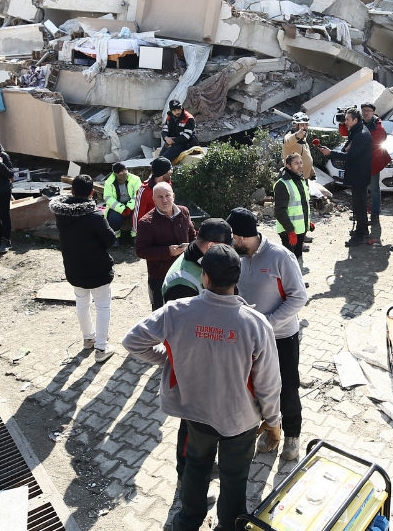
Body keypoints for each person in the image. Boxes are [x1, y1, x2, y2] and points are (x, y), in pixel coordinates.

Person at [121, 245, 282, 531]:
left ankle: (187, 522)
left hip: (195, 414)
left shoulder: (177, 311)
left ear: (204, 277)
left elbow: (132, 341)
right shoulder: (256, 324)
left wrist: (170, 361)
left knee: (196, 466)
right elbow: (268, 384)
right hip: (240, 421)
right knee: (235, 477)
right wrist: (273, 422)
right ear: (238, 278)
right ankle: (229, 526)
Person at [227, 208, 307, 461]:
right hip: (251, 339)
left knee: (287, 388)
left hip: (282, 337)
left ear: (241, 237)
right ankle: (270, 428)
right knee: (258, 388)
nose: (230, 242)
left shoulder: (280, 257)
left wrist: (268, 324)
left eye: (233, 237)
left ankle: (292, 436)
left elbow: (299, 297)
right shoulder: (238, 257)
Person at [53, 174, 117, 363]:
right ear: (91, 193)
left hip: (74, 267)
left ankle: (89, 338)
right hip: (98, 269)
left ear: (72, 191)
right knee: (103, 306)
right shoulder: (94, 216)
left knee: (81, 303)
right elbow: (110, 240)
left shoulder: (61, 213)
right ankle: (101, 348)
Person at [135, 182, 196, 310]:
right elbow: (141, 251)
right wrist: (167, 251)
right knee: (161, 313)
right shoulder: (146, 222)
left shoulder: (183, 212)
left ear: (173, 196)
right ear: (154, 200)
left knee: (186, 310)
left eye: (167, 195)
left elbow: (192, 235)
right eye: (160, 197)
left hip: (185, 271)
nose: (164, 200)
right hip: (160, 276)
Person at [319, 108, 372, 246]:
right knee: (358, 204)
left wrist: (330, 153)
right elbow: (347, 149)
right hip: (357, 174)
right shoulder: (356, 131)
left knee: (359, 205)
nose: (345, 122)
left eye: (348, 120)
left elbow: (350, 156)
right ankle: (363, 230)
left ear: (355, 120)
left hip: (359, 175)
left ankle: (360, 235)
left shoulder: (361, 134)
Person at [161, 219, 232, 303]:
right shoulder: (182, 284)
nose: (230, 250)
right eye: (226, 247)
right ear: (211, 246)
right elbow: (181, 316)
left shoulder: (197, 255)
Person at [351, 102, 390, 240]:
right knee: (363, 190)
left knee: (373, 188)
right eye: (363, 110)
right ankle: (361, 214)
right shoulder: (359, 123)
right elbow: (345, 133)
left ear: (373, 112)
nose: (365, 113)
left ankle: (374, 214)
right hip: (361, 163)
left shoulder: (378, 127)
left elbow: (376, 145)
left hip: (372, 162)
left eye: (368, 110)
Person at [273, 153, 311, 262]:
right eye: (296, 163)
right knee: (288, 261)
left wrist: (308, 222)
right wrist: (290, 231)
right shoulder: (282, 184)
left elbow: (303, 204)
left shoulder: (301, 180)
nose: (300, 165)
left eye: (300, 162)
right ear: (288, 166)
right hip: (288, 232)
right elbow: (279, 212)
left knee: (297, 258)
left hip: (299, 230)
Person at [133, 157, 173, 233]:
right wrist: (140, 233)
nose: (171, 171)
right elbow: (138, 214)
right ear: (163, 173)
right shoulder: (144, 191)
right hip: (151, 229)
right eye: (169, 170)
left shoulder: (168, 184)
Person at [104, 163, 142, 242]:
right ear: (116, 173)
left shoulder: (135, 179)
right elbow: (108, 198)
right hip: (117, 206)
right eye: (121, 171)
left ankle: (136, 235)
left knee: (138, 215)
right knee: (113, 219)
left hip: (132, 205)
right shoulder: (109, 182)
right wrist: (121, 209)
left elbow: (138, 194)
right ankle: (115, 236)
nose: (124, 172)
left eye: (125, 170)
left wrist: (129, 207)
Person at [281, 112, 315, 180]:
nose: (305, 127)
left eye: (306, 124)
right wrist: (297, 136)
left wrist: (312, 172)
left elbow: (307, 158)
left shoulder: (303, 140)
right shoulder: (289, 136)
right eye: (302, 124)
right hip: (294, 179)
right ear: (294, 125)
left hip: (304, 179)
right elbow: (288, 141)